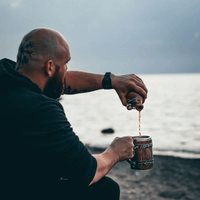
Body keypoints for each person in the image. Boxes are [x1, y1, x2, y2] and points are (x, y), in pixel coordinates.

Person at [0, 28, 148, 200]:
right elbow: (87, 171)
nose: (66, 71)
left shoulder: (7, 77)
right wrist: (115, 152)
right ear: (49, 67)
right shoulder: (40, 109)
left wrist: (111, 81)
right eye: (65, 64)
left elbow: (60, 81)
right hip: (13, 191)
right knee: (105, 189)